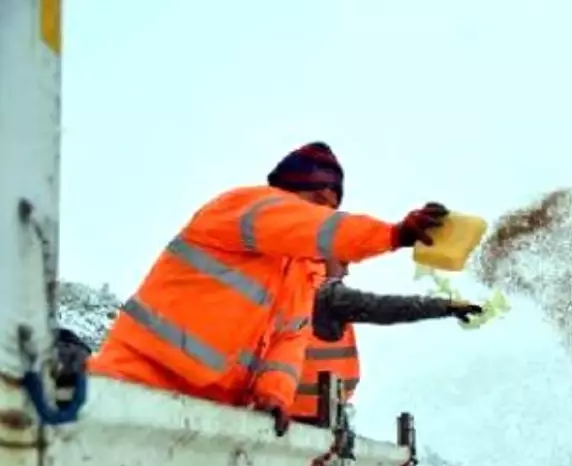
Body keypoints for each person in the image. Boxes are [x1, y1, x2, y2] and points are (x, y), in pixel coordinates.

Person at [89, 142, 451, 432]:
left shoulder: (300, 272)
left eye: (332, 206)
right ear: (288, 190)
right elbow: (321, 230)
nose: (323, 214)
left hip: (203, 417)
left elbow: (288, 340)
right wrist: (393, 234)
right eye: (318, 202)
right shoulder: (246, 206)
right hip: (132, 387)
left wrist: (273, 395)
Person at [286, 259, 482, 427]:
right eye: (343, 262)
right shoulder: (327, 296)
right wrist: (444, 307)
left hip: (276, 412)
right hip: (314, 420)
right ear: (320, 255)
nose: (347, 271)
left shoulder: (285, 287)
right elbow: (385, 307)